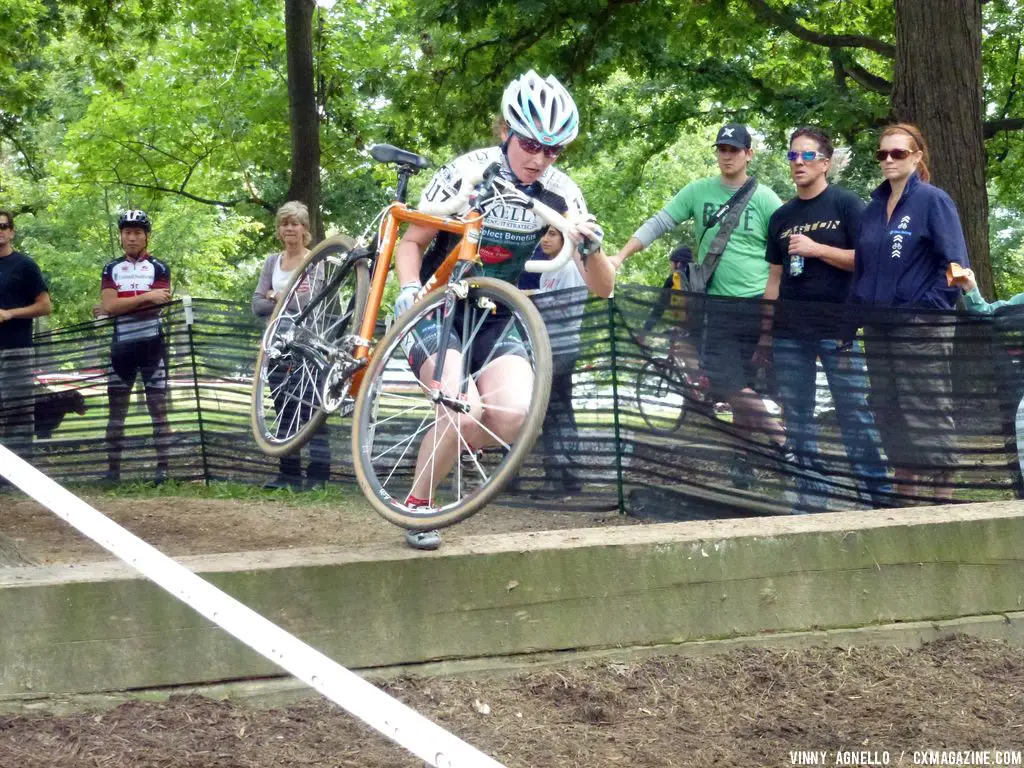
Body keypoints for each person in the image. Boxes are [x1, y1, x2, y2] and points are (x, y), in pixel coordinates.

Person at [393, 69, 615, 550]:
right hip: (439, 305)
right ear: (504, 131)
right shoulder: (466, 171)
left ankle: (438, 444)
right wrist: (409, 288)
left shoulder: (561, 192)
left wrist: (594, 248)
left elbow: (604, 287)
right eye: (530, 144)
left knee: (514, 416)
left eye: (553, 149)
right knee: (459, 403)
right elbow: (412, 241)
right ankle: (419, 505)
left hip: (496, 313)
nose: (540, 158)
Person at [611, 123, 786, 488]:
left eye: (734, 149)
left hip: (757, 306)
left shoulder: (767, 198)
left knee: (746, 387)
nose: (727, 155)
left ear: (748, 154)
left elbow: (785, 251)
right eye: (721, 148)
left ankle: (742, 460)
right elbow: (661, 221)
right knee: (728, 384)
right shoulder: (698, 191)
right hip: (716, 307)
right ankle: (783, 440)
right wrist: (620, 256)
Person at [758, 127, 892, 512]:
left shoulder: (847, 205)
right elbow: (774, 277)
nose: (799, 163)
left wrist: (817, 249)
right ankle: (812, 494)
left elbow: (868, 260)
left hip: (839, 329)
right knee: (797, 417)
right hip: (790, 331)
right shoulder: (781, 216)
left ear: (826, 163)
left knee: (854, 413)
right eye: (793, 156)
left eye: (807, 156)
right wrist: (766, 332)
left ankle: (878, 496)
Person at [849, 123, 969, 502]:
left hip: (922, 326)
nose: (888, 160)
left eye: (897, 153)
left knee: (927, 409)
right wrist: (855, 314)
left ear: (917, 157)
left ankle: (942, 501)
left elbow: (956, 265)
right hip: (879, 326)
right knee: (888, 408)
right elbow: (864, 267)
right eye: (882, 154)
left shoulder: (933, 201)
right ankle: (906, 497)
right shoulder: (871, 210)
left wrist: (927, 309)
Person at [252, 201, 331, 490]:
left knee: (312, 408)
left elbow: (310, 303)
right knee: (283, 406)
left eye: (295, 223)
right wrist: (283, 296)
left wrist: (275, 295)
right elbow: (256, 304)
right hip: (276, 345)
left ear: (304, 229)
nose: (289, 229)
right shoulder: (272, 261)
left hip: (309, 346)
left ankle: (319, 476)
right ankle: (289, 473)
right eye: (285, 223)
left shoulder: (316, 260)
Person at [100, 209, 172, 485]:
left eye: (137, 233)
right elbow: (109, 306)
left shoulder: (159, 267)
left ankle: (162, 470)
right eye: (127, 232)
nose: (131, 238)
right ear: (121, 236)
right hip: (121, 348)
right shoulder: (111, 268)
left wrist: (122, 304)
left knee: (158, 409)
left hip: (153, 346)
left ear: (146, 237)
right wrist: (146, 296)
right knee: (116, 412)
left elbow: (160, 304)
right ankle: (112, 472)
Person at [520, 225, 587, 500]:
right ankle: (566, 478)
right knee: (556, 413)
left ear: (565, 238)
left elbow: (562, 307)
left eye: (552, 234)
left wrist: (529, 298)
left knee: (555, 414)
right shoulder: (548, 268)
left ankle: (559, 480)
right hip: (550, 347)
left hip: (561, 348)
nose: (545, 239)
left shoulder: (569, 268)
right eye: (544, 234)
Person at [0, 210, 51, 468]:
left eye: (3, 226)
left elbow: (45, 306)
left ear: (12, 231)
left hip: (16, 349)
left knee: (17, 411)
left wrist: (10, 313)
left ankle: (18, 472)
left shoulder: (25, 266)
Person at [639, 244, 701, 374]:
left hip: (690, 331)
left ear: (678, 263)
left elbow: (658, 309)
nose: (670, 267)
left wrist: (644, 332)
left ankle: (701, 384)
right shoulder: (701, 276)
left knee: (686, 356)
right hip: (709, 327)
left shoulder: (674, 280)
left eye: (671, 263)